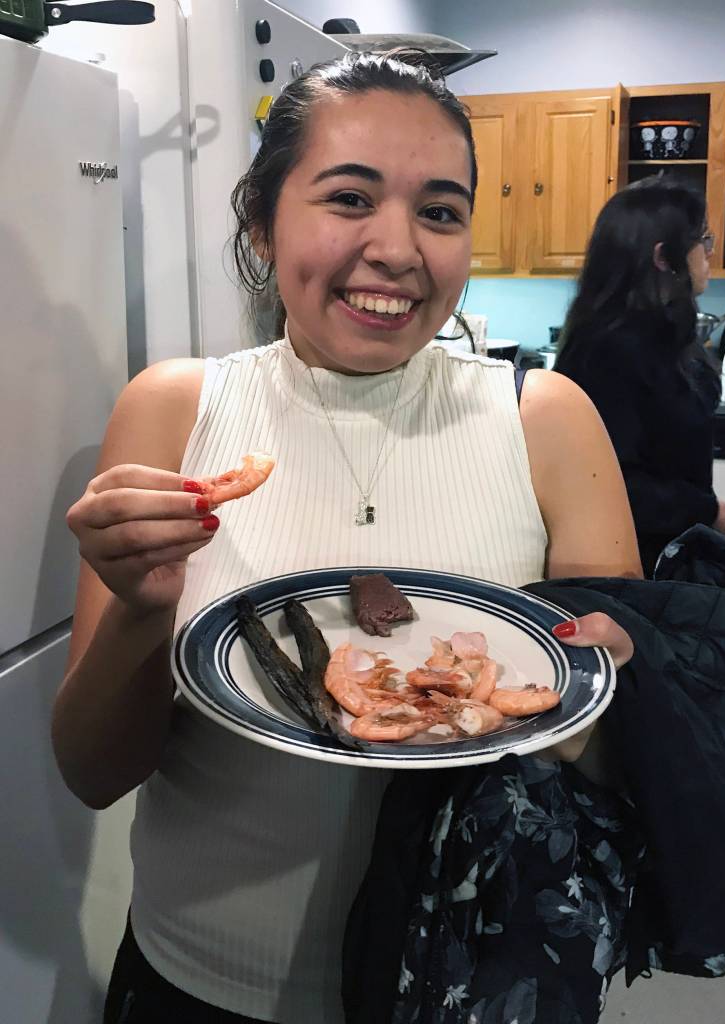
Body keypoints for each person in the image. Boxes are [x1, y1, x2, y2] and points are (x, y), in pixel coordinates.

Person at [52, 52, 641, 1024]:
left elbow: (620, 763)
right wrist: (143, 611)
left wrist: (604, 697)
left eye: (439, 211)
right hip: (196, 978)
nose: (397, 247)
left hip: (457, 979)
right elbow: (91, 771)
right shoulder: (176, 413)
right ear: (260, 221)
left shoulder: (545, 418)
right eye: (348, 198)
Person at [555, 176, 725, 576]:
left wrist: (709, 512)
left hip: (672, 555)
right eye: (703, 241)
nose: (709, 254)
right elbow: (611, 485)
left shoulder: (664, 337)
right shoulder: (607, 353)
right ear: (664, 258)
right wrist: (702, 511)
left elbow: (665, 465)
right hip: (635, 573)